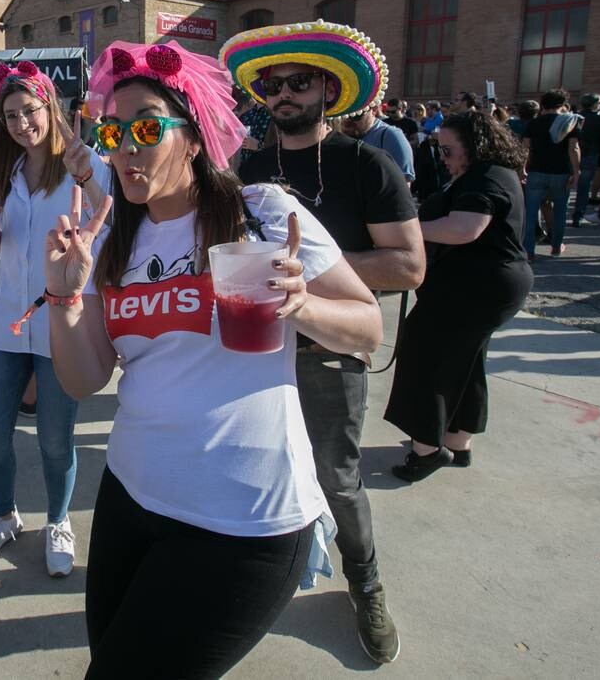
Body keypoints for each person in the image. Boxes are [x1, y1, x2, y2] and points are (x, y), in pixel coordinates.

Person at [46, 39, 382, 678]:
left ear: (194, 140)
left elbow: (367, 328)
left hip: (244, 519)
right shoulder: (112, 238)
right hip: (131, 498)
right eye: (112, 132)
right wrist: (64, 297)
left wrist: (301, 304)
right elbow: (84, 378)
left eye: (147, 128)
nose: (125, 147)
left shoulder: (262, 213)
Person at [230, 20, 421, 664]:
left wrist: (313, 269)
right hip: (250, 347)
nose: (283, 93)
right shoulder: (246, 166)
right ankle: (249, 579)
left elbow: (408, 266)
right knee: (251, 468)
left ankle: (365, 583)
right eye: (272, 84)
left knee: (337, 479)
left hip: (330, 346)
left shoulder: (368, 163)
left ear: (330, 89)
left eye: (299, 81)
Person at [0, 61, 111, 577]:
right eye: (10, 115)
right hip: (8, 321)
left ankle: (57, 519)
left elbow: (110, 218)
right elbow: (14, 248)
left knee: (54, 439)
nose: (22, 122)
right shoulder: (5, 172)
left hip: (61, 323)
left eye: (30, 110)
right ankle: (4, 515)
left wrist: (89, 179)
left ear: (50, 107)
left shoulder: (82, 164)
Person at [385, 111, 532, 481]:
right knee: (464, 362)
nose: (443, 158)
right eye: (441, 150)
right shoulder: (488, 173)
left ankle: (428, 450)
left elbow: (465, 228)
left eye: (449, 151)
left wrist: (410, 229)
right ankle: (457, 441)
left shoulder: (487, 176)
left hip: (476, 286)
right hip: (482, 284)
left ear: (475, 146)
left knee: (427, 358)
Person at [521, 89, 581, 259]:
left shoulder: (534, 123)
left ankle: (528, 251)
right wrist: (576, 171)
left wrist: (522, 168)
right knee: (560, 211)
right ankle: (556, 246)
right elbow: (574, 148)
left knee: (531, 212)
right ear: (562, 104)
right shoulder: (569, 122)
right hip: (561, 171)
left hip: (536, 171)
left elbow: (525, 148)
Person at [572, 93, 600, 227]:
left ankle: (569, 215)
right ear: (595, 104)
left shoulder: (575, 117)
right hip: (591, 154)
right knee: (584, 188)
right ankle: (578, 216)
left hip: (574, 152)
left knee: (568, 186)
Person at [339, 106, 416, 183]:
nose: (346, 120)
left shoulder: (390, 135)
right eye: (342, 114)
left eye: (356, 115)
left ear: (374, 110)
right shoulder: (339, 136)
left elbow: (403, 183)